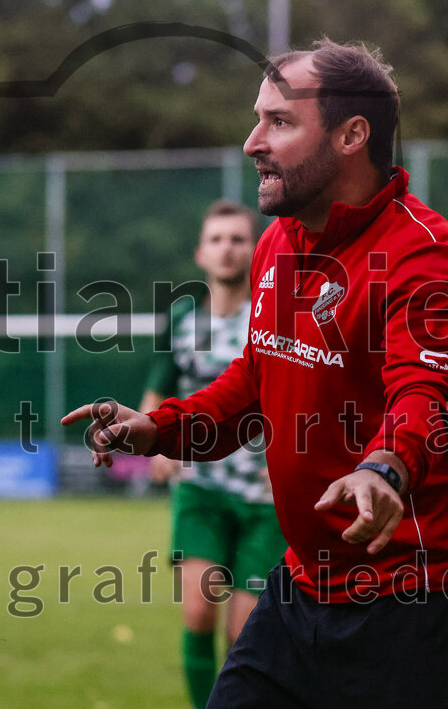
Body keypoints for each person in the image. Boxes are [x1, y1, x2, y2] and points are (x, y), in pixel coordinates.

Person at [64, 37, 448, 707]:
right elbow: (255, 381)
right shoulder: (279, 241)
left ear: (351, 135)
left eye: (279, 121)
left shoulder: (427, 256)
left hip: (430, 595)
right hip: (304, 588)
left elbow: (430, 394)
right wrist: (159, 428)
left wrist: (384, 468)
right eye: (258, 119)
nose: (253, 143)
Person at [142, 200, 286, 708]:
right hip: (201, 488)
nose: (228, 249)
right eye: (217, 239)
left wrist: (289, 456)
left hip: (264, 499)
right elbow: (159, 388)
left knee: (242, 634)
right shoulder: (182, 319)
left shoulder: (273, 319)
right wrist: (156, 443)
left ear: (256, 250)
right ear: (200, 253)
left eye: (238, 239)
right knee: (198, 613)